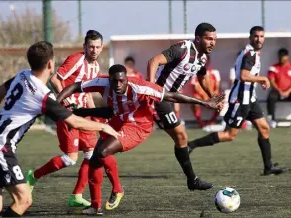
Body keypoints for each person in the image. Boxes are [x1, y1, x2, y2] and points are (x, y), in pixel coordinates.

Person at [56, 64, 224, 215]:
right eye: (115, 81)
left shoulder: (141, 87)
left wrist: (205, 103)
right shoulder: (102, 83)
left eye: (122, 81)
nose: (118, 85)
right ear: (110, 80)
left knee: (102, 151)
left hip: (138, 126)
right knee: (93, 162)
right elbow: (75, 86)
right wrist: (56, 104)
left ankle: (117, 190)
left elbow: (172, 96)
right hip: (117, 120)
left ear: (127, 80)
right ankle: (95, 206)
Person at [0, 41, 119, 217]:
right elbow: (74, 122)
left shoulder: (21, 75)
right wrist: (104, 126)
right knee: (24, 200)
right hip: (0, 148)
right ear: (51, 64)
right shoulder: (43, 96)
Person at [25, 30, 123, 209]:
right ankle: (33, 176)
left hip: (81, 114)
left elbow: (87, 94)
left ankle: (77, 195)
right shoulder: (77, 59)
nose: (94, 50)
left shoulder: (95, 67)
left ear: (101, 48)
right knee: (70, 159)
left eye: (97, 47)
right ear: (85, 47)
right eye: (90, 46)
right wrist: (68, 101)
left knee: (92, 153)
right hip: (66, 113)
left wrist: (94, 114)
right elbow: (55, 79)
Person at [187, 26, 288, 176]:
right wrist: (262, 78)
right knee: (229, 135)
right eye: (256, 36)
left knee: (264, 128)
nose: (259, 39)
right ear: (250, 37)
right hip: (240, 100)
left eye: (261, 36)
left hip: (250, 98)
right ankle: (191, 145)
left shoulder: (253, 52)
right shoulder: (249, 54)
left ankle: (268, 167)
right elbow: (243, 75)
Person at [147, 22, 223, 190]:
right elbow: (154, 61)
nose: (213, 42)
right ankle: (192, 180)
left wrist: (213, 96)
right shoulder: (182, 49)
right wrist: (151, 90)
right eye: (209, 39)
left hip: (170, 100)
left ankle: (192, 180)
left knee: (181, 138)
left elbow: (202, 77)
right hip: (159, 98)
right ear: (198, 38)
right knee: (181, 136)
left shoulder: (202, 57)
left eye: (215, 39)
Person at [267, 48, 291, 128]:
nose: (281, 58)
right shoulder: (273, 67)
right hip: (277, 91)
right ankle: (272, 120)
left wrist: (288, 92)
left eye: (283, 57)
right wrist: (279, 91)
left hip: (289, 91)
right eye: (280, 57)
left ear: (287, 57)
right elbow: (272, 81)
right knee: (271, 97)